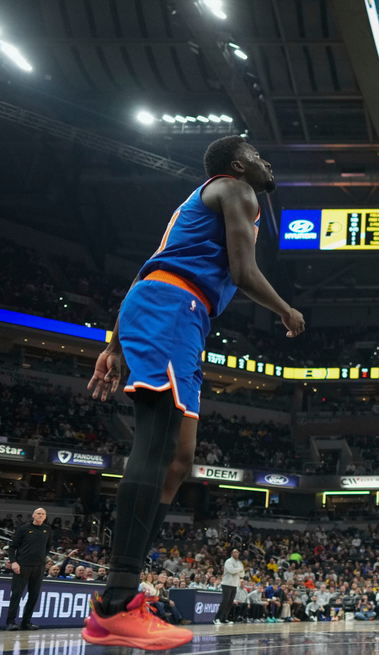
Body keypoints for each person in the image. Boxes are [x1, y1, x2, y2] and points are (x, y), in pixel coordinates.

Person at [81, 136, 304, 649]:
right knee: (156, 446)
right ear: (237, 164)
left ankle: (120, 600)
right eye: (258, 156)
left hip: (177, 311)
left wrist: (115, 342)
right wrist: (286, 311)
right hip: (172, 307)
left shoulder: (211, 197)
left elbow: (154, 259)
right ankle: (116, 603)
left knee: (180, 460)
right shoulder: (236, 189)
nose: (267, 163)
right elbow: (244, 274)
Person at [5, 508, 53, 631]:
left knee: (34, 595)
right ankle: (10, 622)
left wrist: (42, 558)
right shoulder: (24, 529)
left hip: (38, 567)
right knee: (17, 594)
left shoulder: (47, 530)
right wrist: (14, 562)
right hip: (22, 566)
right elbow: (12, 547)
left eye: (43, 514)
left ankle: (26, 622)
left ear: (45, 517)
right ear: (33, 515)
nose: (40, 515)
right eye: (38, 513)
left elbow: (47, 547)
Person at [215, 549, 245, 624]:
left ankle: (224, 618)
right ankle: (216, 618)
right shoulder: (228, 561)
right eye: (234, 552)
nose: (236, 554)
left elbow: (242, 575)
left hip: (235, 584)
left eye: (237, 552)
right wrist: (239, 570)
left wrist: (237, 570)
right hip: (226, 583)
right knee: (225, 601)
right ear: (232, 554)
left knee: (230, 602)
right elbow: (231, 571)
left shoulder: (239, 563)